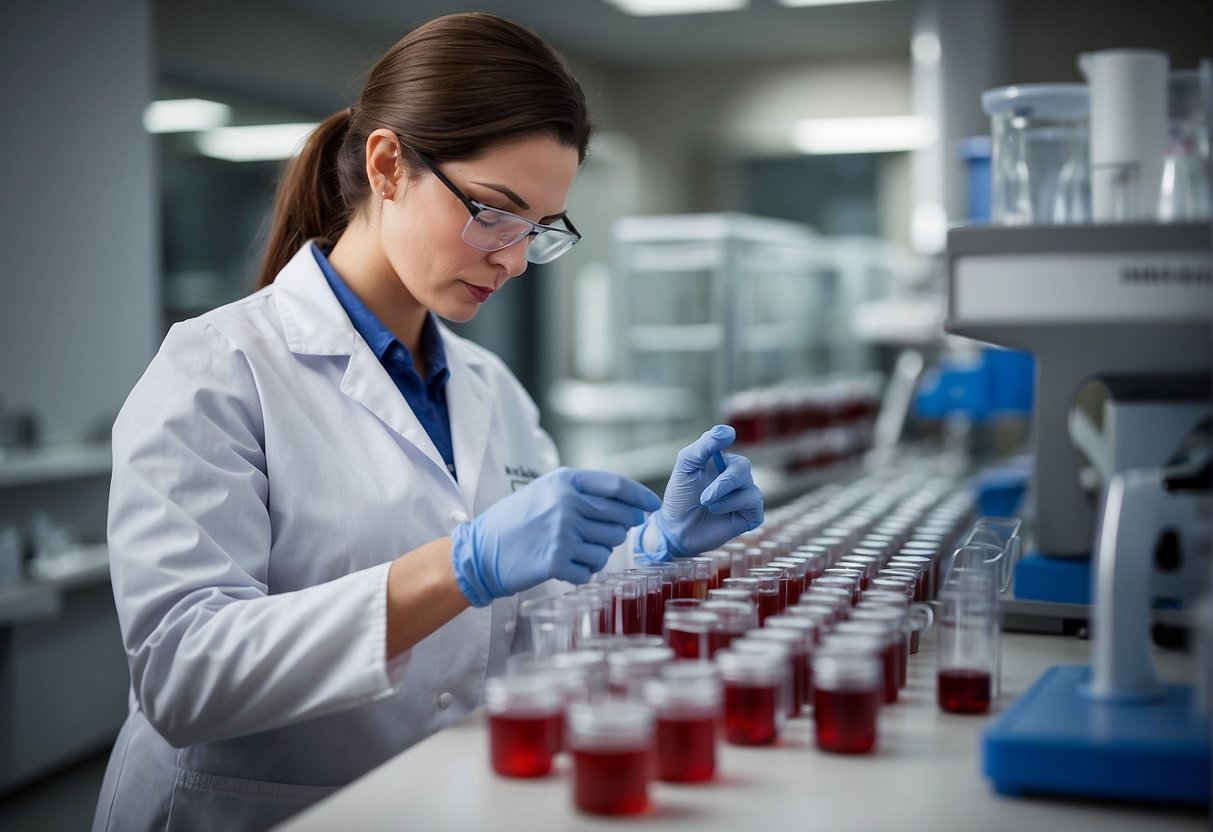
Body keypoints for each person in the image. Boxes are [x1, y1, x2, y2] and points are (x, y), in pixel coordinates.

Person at [92, 12, 763, 832]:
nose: (514, 258)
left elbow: (526, 625)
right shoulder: (215, 370)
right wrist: (459, 565)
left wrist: (647, 553)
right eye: (493, 212)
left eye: (540, 229)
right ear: (386, 166)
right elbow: (182, 676)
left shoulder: (491, 389)